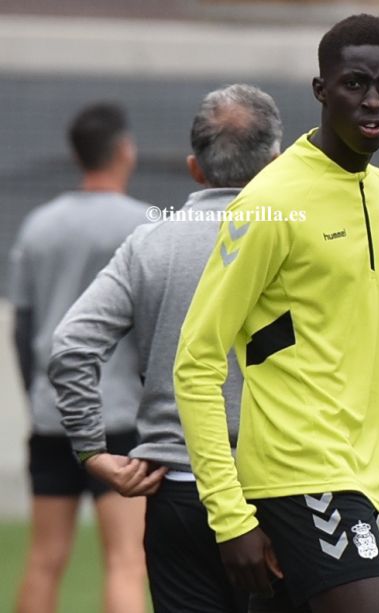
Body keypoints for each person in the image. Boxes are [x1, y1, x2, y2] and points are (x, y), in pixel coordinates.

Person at [173, 14, 379, 613]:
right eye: (355, 83)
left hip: (357, 480)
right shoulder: (271, 202)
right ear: (321, 90)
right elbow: (196, 361)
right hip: (301, 475)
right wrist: (229, 517)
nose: (373, 100)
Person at [48, 84, 283, 613]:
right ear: (276, 164)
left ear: (194, 168)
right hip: (277, 490)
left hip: (175, 491)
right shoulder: (302, 240)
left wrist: (92, 451)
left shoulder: (150, 242)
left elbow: (71, 345)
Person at [9, 102, 149, 613]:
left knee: (44, 559)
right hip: (119, 417)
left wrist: (39, 394)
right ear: (125, 150)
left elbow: (23, 328)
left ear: (76, 154)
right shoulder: (143, 225)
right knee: (126, 561)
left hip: (52, 415)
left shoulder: (38, 226)